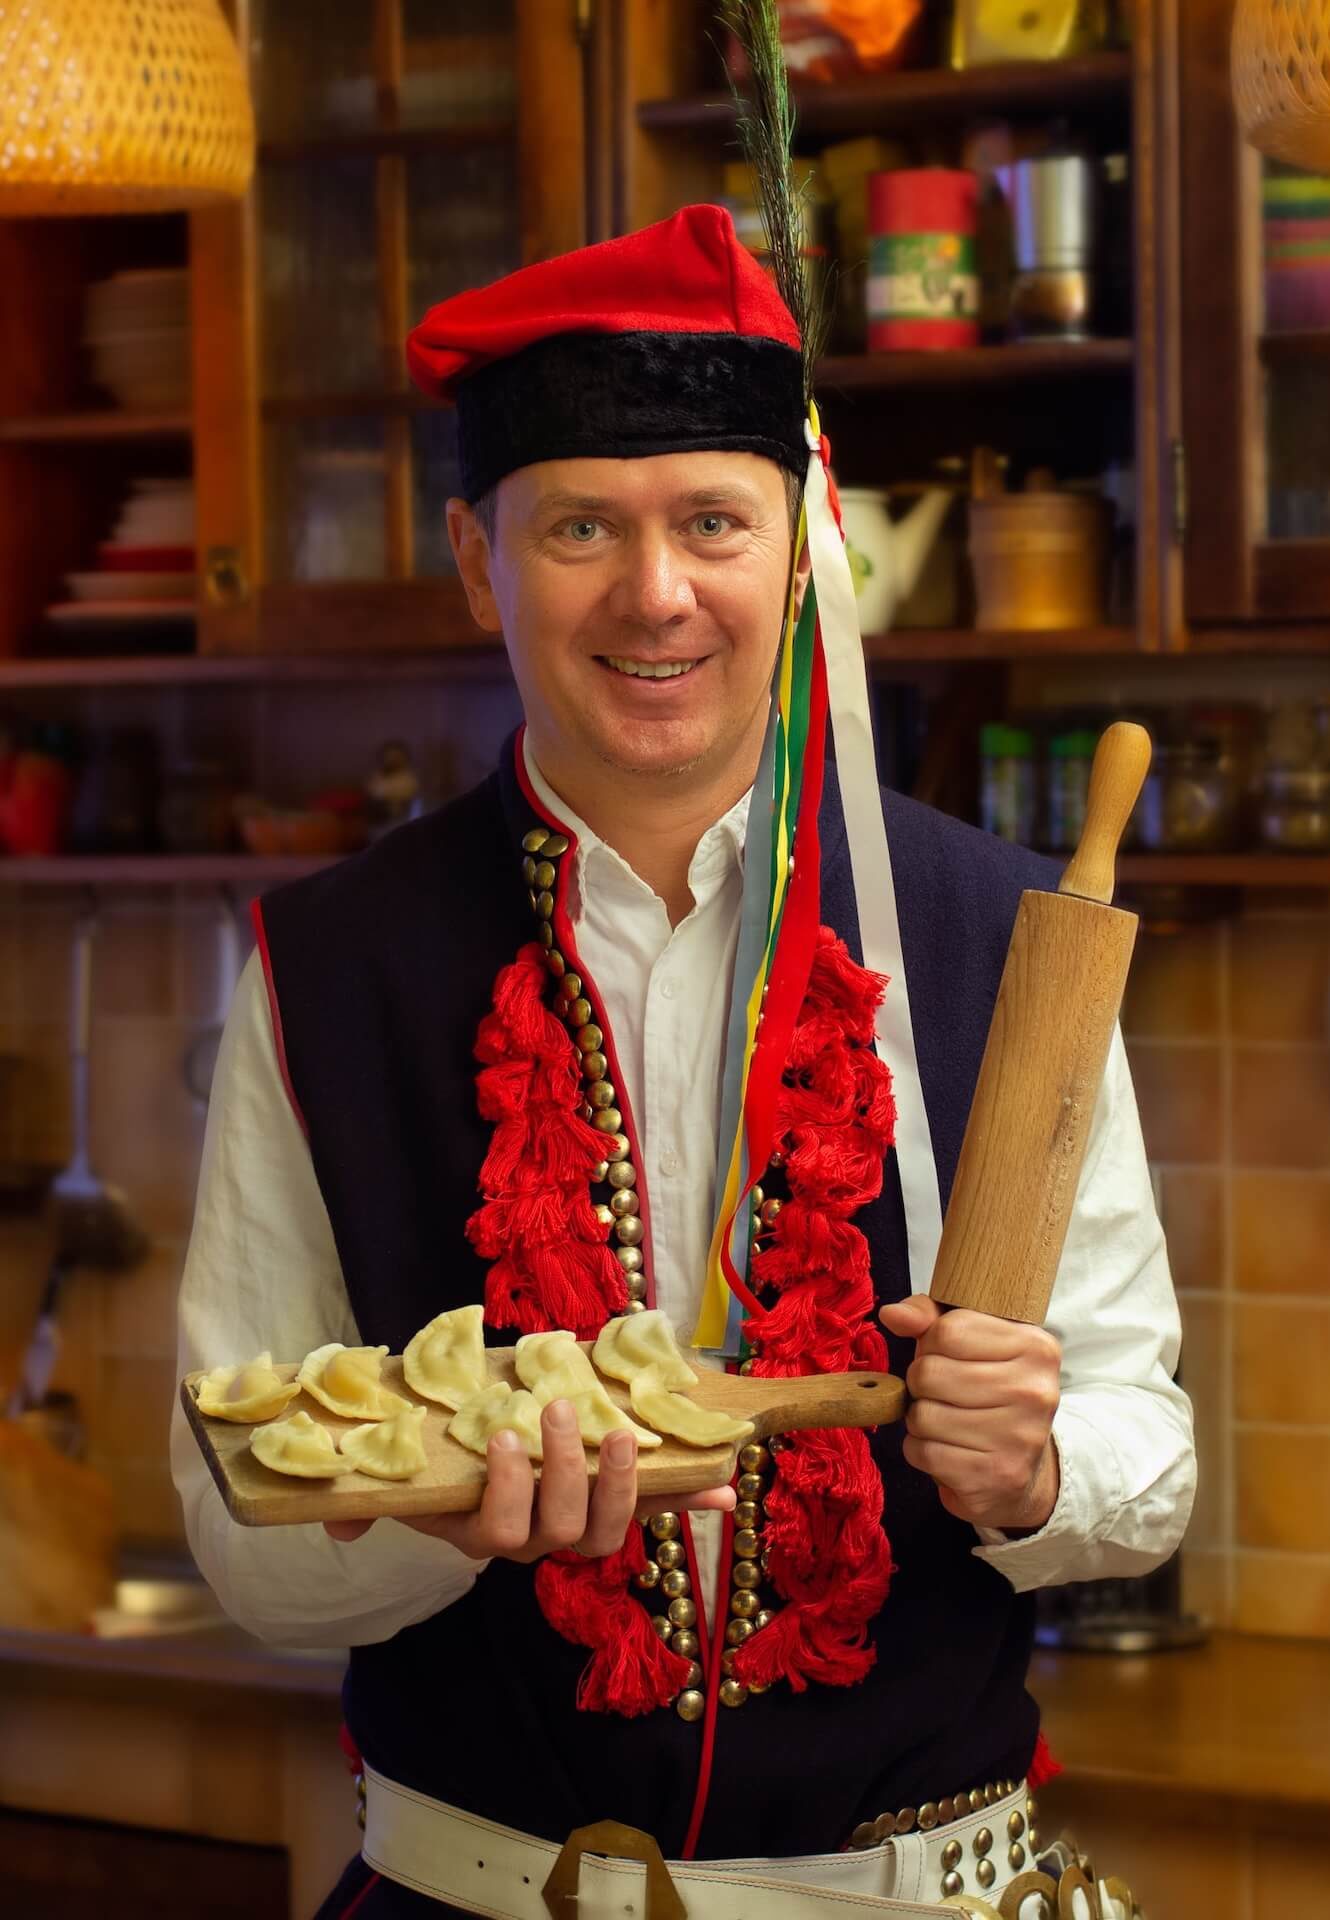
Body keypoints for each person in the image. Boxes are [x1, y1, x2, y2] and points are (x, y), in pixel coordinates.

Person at [172, 203, 1194, 1920]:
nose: (656, 594)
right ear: (477, 561)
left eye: (712, 521)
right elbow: (234, 1534)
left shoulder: (1004, 934)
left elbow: (1145, 1464)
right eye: (580, 525)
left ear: (801, 550)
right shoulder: (323, 967)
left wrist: (1030, 1469)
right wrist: (430, 1516)